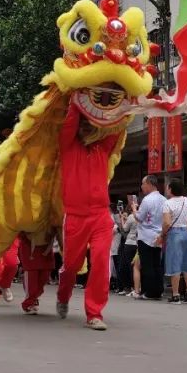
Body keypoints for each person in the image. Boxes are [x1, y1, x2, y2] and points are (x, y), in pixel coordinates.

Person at [55, 106, 123, 330]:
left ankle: (94, 314)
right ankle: (63, 295)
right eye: (83, 124)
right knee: (71, 266)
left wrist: (128, 102)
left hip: (101, 215)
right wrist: (77, 101)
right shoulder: (67, 145)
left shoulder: (103, 147)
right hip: (75, 217)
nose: (86, 128)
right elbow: (69, 123)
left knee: (101, 261)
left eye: (91, 125)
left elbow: (117, 126)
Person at [161, 180, 187, 304]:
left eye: (167, 187)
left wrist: (162, 234)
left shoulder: (167, 203)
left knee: (175, 264)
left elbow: (167, 223)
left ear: (171, 189)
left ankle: (176, 295)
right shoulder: (186, 200)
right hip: (186, 233)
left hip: (174, 234)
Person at [133, 175, 166, 300]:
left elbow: (139, 218)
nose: (142, 186)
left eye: (143, 184)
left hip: (146, 236)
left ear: (149, 184)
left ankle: (149, 292)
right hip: (159, 236)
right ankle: (158, 290)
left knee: (147, 265)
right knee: (157, 264)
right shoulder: (164, 199)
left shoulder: (147, 200)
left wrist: (134, 209)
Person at [20, 232, 56, 315]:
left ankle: (34, 297)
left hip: (45, 245)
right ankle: (29, 302)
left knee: (45, 276)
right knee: (32, 276)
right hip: (29, 244)